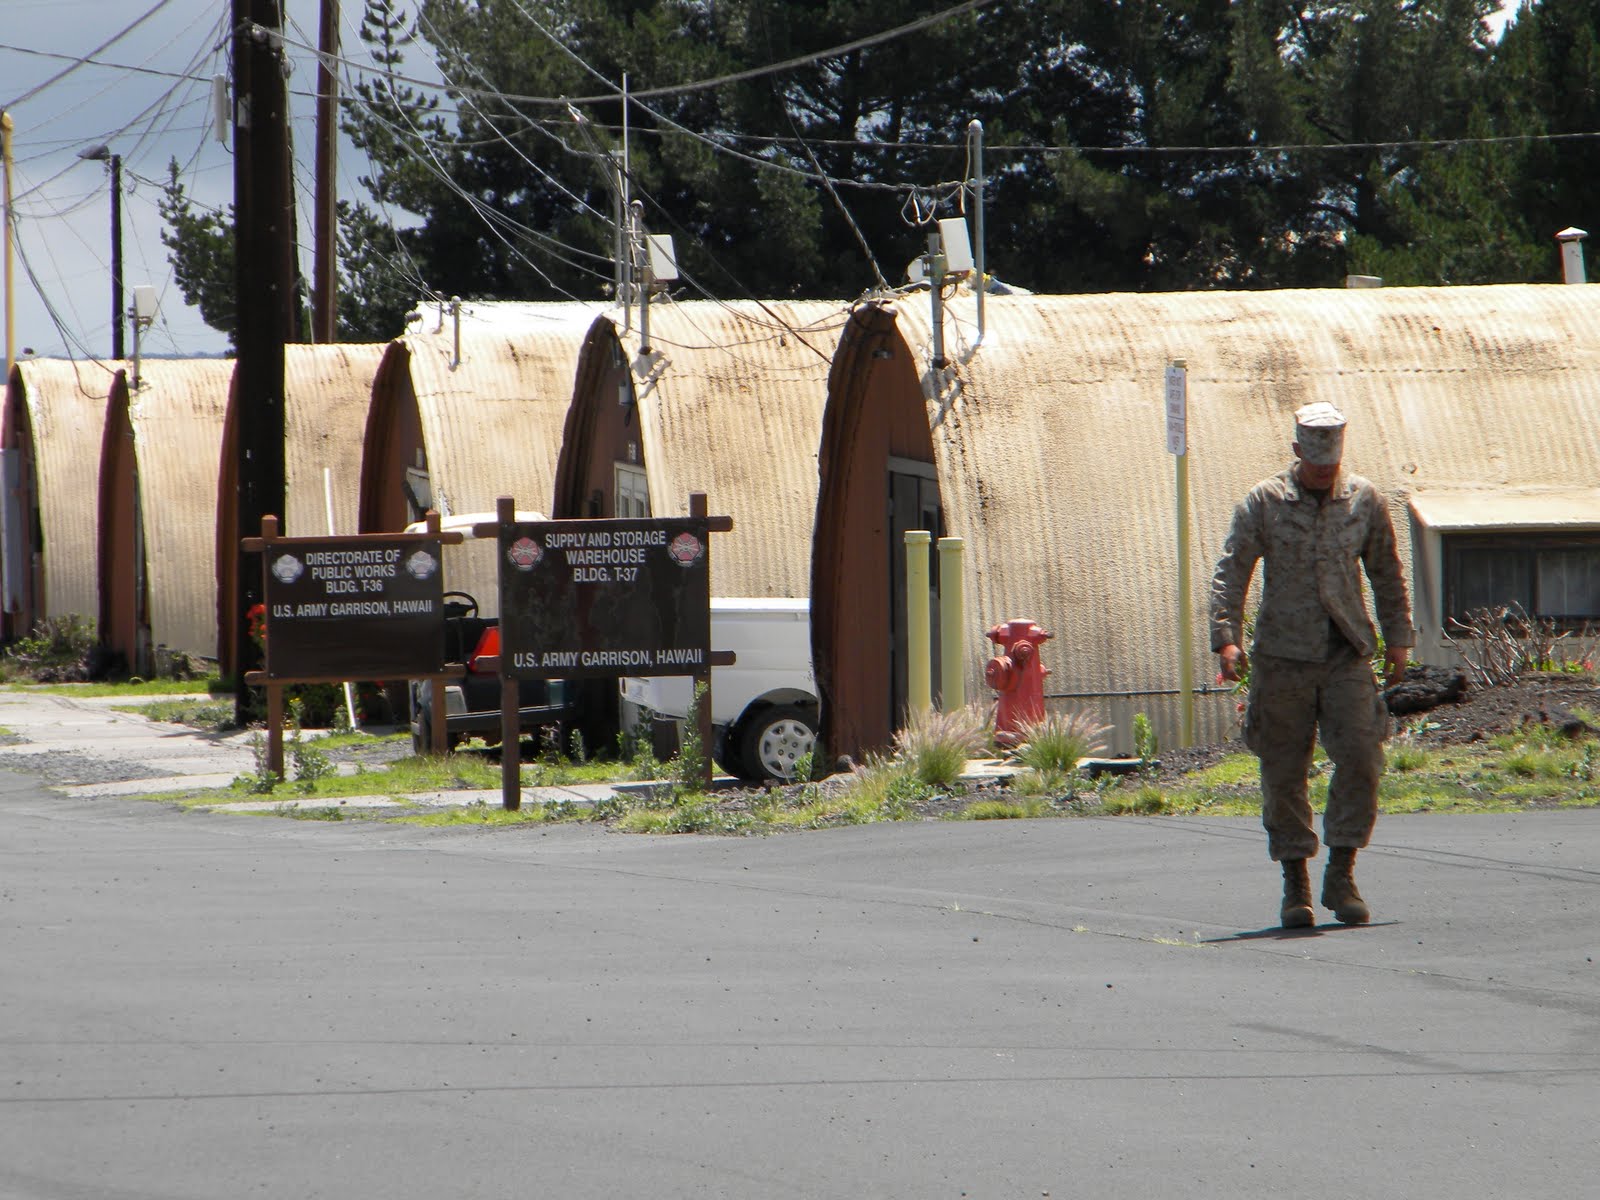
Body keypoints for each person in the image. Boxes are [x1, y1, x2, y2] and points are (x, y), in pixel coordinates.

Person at [1210, 402, 1413, 928]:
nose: (1324, 472)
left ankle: (1342, 872)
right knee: (1283, 771)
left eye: (1332, 464)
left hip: (1346, 652)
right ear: (1297, 451)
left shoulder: (1363, 500)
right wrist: (1226, 639)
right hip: (1282, 658)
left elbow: (1387, 572)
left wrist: (1398, 640)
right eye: (1315, 463)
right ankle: (1295, 882)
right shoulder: (1265, 501)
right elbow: (1232, 568)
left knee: (1362, 758)